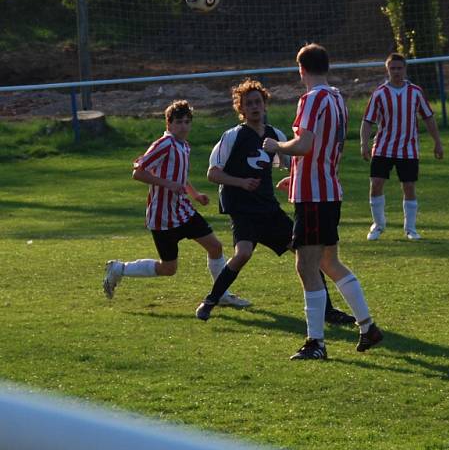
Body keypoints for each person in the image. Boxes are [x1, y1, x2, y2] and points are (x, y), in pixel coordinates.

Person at [194, 79, 355, 325]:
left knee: (307, 254)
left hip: (268, 209)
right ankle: (210, 301)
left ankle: (327, 311)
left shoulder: (275, 136)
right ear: (241, 109)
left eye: (258, 102)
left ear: (265, 104)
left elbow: (294, 163)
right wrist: (240, 182)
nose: (255, 107)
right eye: (249, 104)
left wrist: (292, 179)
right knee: (243, 253)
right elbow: (213, 174)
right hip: (242, 209)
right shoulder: (232, 136)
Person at [263, 43, 383, 360]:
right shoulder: (337, 98)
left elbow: (303, 144)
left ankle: (316, 342)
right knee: (329, 262)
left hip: (315, 196)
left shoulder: (312, 98)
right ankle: (368, 326)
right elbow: (324, 149)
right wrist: (298, 175)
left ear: (300, 69)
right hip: (326, 189)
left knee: (306, 265)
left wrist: (276, 145)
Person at [103, 100, 247, 308]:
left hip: (183, 211)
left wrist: (194, 194)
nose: (183, 126)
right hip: (162, 217)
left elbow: (180, 177)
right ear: (169, 124)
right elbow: (139, 172)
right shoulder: (165, 144)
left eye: (187, 122)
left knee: (215, 246)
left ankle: (222, 293)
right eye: (179, 122)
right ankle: (120, 269)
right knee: (169, 268)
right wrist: (168, 184)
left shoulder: (183, 146)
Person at [360, 52, 444, 241]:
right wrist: (363, 143)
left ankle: (410, 229)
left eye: (399, 68)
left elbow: (428, 117)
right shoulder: (380, 93)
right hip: (383, 147)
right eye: (392, 68)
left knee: (408, 187)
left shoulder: (415, 92)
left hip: (408, 148)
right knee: (376, 184)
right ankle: (378, 225)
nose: (396, 72)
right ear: (387, 70)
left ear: (405, 69)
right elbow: (367, 121)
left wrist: (438, 142)